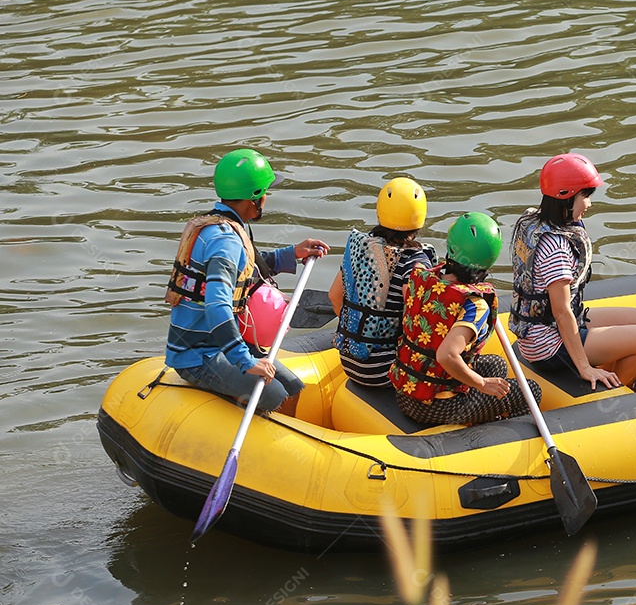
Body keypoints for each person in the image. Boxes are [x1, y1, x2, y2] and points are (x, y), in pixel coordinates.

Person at [164, 148, 330, 413]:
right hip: (199, 354)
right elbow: (217, 307)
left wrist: (291, 254)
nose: (267, 197)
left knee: (293, 387)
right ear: (255, 198)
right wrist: (245, 361)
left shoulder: (220, 226)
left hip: (215, 343)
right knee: (275, 393)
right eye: (265, 192)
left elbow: (246, 268)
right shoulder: (224, 241)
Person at [509, 153, 636, 390]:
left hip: (543, 329)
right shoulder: (555, 248)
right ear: (566, 198)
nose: (589, 203)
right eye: (585, 195)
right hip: (548, 346)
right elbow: (561, 312)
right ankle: (616, 392)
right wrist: (584, 367)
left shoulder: (535, 221)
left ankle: (611, 373)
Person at [389, 212, 541, 426]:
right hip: (438, 408)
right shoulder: (475, 305)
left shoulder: (422, 276)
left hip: (405, 393)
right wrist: (481, 384)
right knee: (531, 391)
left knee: (496, 365)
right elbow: (445, 355)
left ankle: (483, 412)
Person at [329, 177, 436, 387]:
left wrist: (361, 333)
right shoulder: (415, 262)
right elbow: (419, 323)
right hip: (386, 371)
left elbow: (334, 297)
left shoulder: (363, 249)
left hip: (350, 362)